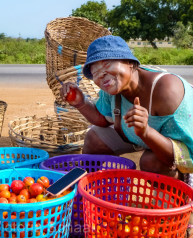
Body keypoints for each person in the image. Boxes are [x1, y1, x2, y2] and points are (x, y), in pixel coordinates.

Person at [60, 35, 193, 237]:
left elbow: (184, 158)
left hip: (182, 154)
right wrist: (80, 102)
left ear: (131, 63)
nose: (101, 76)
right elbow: (104, 120)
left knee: (151, 161)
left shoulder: (167, 91)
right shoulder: (113, 86)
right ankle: (94, 201)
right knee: (94, 138)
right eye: (95, 72)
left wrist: (146, 132)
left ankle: (177, 217)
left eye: (107, 65)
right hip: (138, 136)